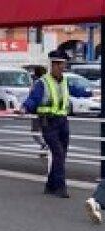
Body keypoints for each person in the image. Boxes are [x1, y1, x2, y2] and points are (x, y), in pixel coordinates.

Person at [21, 50, 92, 198]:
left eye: (63, 65)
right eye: (59, 65)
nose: (62, 68)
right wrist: (24, 108)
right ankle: (60, 187)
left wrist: (90, 92)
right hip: (48, 122)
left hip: (63, 122)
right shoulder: (43, 83)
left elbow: (78, 91)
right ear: (52, 65)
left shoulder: (65, 80)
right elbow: (33, 99)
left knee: (61, 155)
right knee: (58, 154)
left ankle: (50, 185)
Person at [30, 66, 48, 157]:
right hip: (47, 110)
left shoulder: (37, 83)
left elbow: (34, 97)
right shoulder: (47, 82)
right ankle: (45, 146)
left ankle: (44, 145)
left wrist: (27, 107)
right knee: (45, 129)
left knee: (35, 131)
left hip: (37, 110)